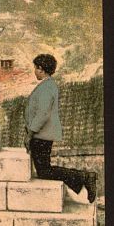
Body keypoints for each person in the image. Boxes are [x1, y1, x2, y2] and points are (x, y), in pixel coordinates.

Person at [24, 53, 96, 202]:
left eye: (35, 68)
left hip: (41, 135)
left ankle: (84, 177)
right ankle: (83, 177)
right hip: (42, 134)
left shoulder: (46, 87)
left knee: (44, 171)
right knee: (44, 170)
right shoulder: (48, 85)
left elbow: (43, 113)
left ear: (41, 69)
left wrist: (30, 133)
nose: (34, 71)